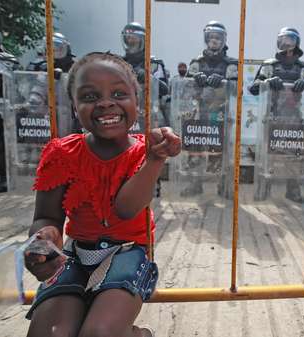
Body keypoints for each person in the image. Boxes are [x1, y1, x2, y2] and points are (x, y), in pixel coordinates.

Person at [24, 52, 181, 337]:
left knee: (99, 333)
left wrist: (154, 161)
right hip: (75, 252)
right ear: (74, 107)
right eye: (89, 96)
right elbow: (46, 216)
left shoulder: (145, 151)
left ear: (136, 100)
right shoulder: (62, 153)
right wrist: (44, 240)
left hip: (128, 251)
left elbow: (126, 208)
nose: (106, 102)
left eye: (119, 93)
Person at [248, 27, 304, 203]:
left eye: (290, 41)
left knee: (294, 154)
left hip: (294, 117)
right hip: (272, 115)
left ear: (297, 44)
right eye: (283, 40)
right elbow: (254, 88)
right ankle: (265, 187)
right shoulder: (269, 65)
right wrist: (267, 81)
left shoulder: (303, 68)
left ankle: (292, 189)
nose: (286, 44)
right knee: (268, 153)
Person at [180, 21, 238, 197]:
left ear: (223, 40)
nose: (214, 40)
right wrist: (194, 82)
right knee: (195, 150)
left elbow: (237, 90)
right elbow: (184, 90)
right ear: (206, 39)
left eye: (218, 38)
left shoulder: (231, 64)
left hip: (220, 113)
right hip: (199, 113)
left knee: (221, 150)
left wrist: (223, 81)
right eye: (211, 37)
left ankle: (223, 186)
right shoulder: (197, 62)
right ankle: (194, 184)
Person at [0, 30, 21, 192]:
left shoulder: (7, 61)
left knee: (2, 146)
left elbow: (17, 86)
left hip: (3, 111)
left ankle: (5, 178)